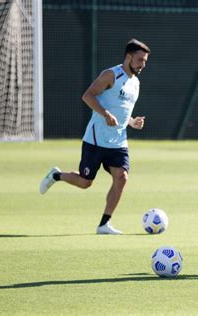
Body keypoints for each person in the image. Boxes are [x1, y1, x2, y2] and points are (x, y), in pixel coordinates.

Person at [39, 38, 150, 235]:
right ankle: (56, 175)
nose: (143, 64)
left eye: (145, 61)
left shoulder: (136, 83)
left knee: (122, 178)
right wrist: (105, 114)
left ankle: (104, 224)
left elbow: (123, 111)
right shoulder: (110, 75)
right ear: (129, 57)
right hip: (96, 139)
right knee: (85, 182)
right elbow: (87, 96)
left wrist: (133, 122)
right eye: (140, 60)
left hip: (118, 141)